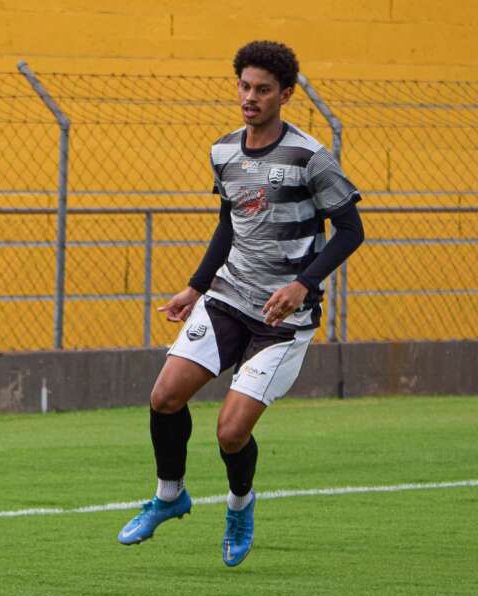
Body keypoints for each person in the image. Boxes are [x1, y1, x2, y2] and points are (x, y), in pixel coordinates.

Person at [117, 41, 364, 566]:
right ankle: (169, 495)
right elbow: (231, 223)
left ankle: (239, 504)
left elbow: (349, 230)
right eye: (244, 87)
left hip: (283, 318)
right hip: (228, 297)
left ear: (286, 95)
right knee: (165, 396)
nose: (250, 98)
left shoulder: (309, 156)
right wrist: (195, 285)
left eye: (263, 90)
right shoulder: (223, 151)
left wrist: (303, 283)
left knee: (230, 432)